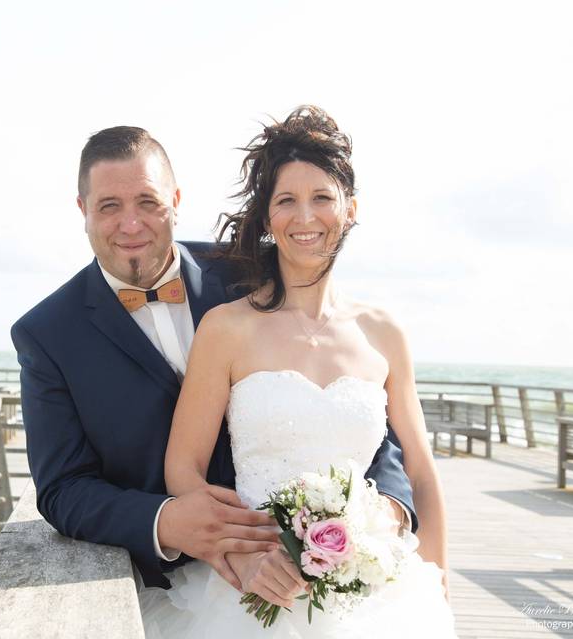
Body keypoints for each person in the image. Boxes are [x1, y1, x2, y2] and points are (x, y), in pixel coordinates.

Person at [9, 125, 416, 593]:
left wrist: (386, 507)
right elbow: (63, 489)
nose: (131, 224)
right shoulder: (47, 334)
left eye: (148, 202)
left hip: (311, 570)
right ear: (82, 210)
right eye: (109, 206)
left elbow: (353, 396)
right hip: (164, 586)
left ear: (176, 200)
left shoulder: (251, 271)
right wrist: (165, 521)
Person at [139, 106, 456, 637]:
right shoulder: (226, 329)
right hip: (252, 589)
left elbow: (421, 474)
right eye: (286, 201)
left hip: (378, 596)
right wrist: (241, 556)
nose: (305, 217)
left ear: (351, 209)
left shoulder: (384, 332)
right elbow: (184, 470)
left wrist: (440, 587)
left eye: (322, 198)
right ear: (267, 220)